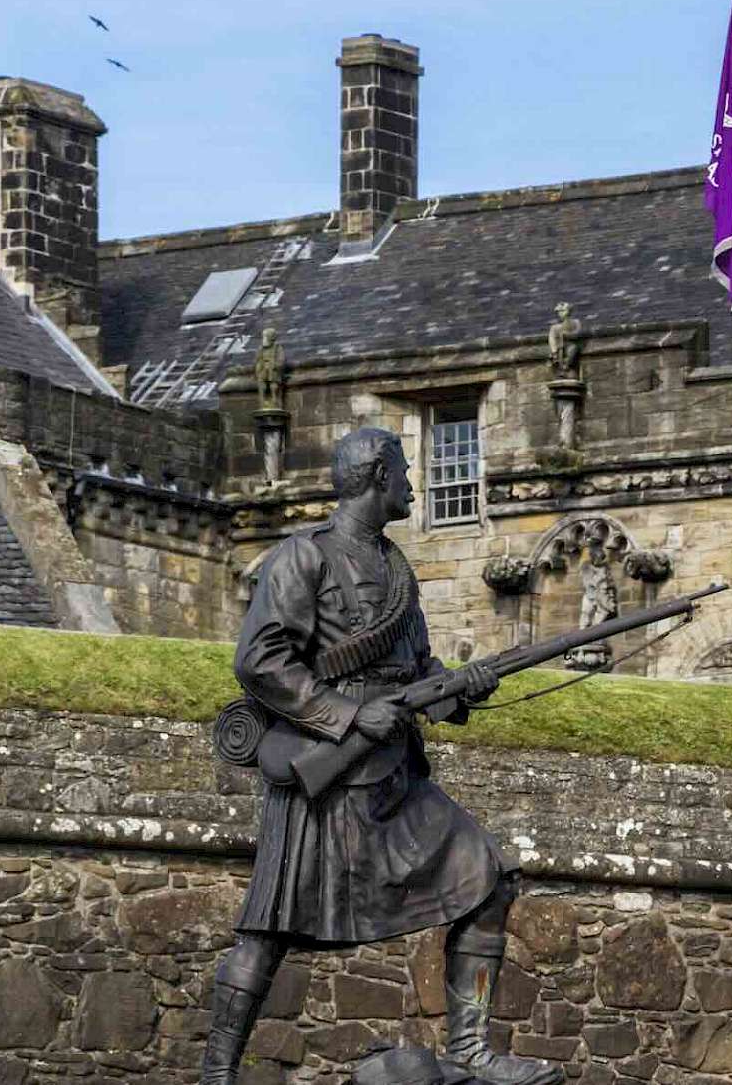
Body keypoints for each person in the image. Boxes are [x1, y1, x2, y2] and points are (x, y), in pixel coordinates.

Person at [202, 428, 562, 1085]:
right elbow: (259, 662)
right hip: (326, 770)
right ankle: (218, 1073)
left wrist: (458, 691)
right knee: (268, 932)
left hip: (392, 774)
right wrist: (344, 714)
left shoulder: (397, 569)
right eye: (402, 470)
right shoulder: (301, 560)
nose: (412, 483)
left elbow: (417, 668)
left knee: (487, 873)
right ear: (374, 475)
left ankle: (473, 1049)